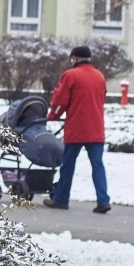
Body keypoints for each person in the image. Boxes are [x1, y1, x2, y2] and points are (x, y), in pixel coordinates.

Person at [43, 45, 110, 214]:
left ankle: (61, 199)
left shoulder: (70, 75)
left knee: (68, 165)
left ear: (76, 58)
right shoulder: (100, 76)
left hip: (77, 128)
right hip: (96, 129)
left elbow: (60, 100)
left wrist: (53, 116)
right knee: (98, 165)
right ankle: (103, 201)